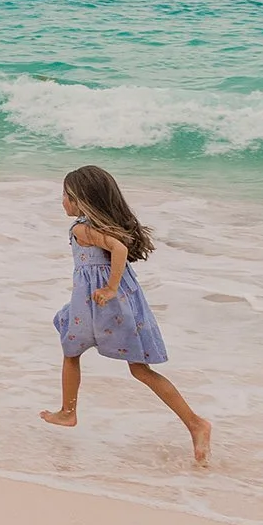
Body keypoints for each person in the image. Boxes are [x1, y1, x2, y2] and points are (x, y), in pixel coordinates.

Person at [40, 164, 211, 465]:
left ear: (81, 199)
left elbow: (118, 249)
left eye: (65, 195)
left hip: (103, 304)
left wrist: (109, 288)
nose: (62, 201)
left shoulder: (83, 228)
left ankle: (69, 412)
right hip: (107, 304)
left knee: (72, 351)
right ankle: (194, 424)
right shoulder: (95, 225)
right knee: (136, 369)